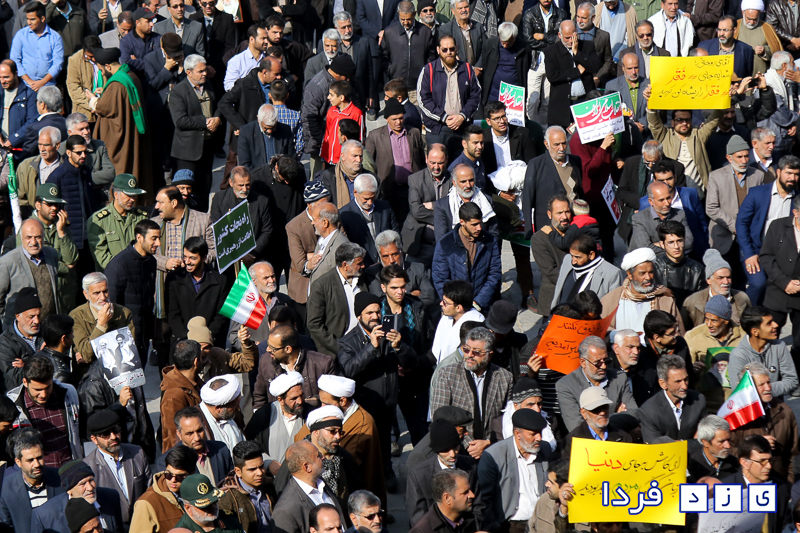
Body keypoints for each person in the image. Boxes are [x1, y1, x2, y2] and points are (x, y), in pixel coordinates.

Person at [338, 291, 420, 484]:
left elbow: (412, 362)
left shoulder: (389, 333)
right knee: (364, 445)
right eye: (369, 313)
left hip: (388, 402)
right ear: (359, 316)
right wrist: (371, 347)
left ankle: (386, 472)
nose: (375, 317)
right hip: (364, 404)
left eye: (377, 312)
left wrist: (399, 347)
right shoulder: (348, 342)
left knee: (385, 442)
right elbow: (347, 370)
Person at [429, 327, 512, 455]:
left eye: (476, 352)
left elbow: (507, 418)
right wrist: (469, 445)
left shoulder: (504, 378)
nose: (469, 355)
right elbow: (439, 416)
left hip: (493, 449)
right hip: (458, 449)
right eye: (466, 350)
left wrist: (489, 442)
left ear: (489, 355)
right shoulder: (447, 374)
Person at [89, 46, 152, 201]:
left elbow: (104, 107)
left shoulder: (116, 84)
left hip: (121, 138)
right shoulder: (130, 75)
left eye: (101, 70)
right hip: (132, 132)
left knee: (122, 171)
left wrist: (93, 99)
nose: (102, 73)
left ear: (108, 66)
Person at [736, 155, 799, 305]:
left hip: (785, 256)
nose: (792, 178)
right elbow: (741, 223)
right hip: (756, 252)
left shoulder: (797, 199)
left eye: (796, 174)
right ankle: (748, 314)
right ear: (778, 172)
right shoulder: (757, 193)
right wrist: (748, 254)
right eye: (789, 173)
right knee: (758, 285)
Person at [474, 409, 551, 533]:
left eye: (540, 433)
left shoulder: (544, 449)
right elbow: (485, 500)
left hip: (542, 523)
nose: (539, 438)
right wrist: (494, 527)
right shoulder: (494, 456)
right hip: (511, 526)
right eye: (533, 434)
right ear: (518, 434)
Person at [706, 135, 768, 266]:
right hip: (723, 237)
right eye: (739, 157)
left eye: (746, 156)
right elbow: (711, 208)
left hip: (750, 237)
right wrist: (736, 227)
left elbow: (762, 206)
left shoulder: (758, 175)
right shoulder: (716, 176)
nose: (744, 160)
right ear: (729, 158)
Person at [83, 410, 151, 528]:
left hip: (142, 521)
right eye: (106, 434)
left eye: (116, 430)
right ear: (94, 439)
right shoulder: (88, 467)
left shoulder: (137, 453)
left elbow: (150, 487)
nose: (113, 437)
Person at [418, 34, 481, 159]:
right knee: (438, 164)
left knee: (462, 165)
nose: (449, 53)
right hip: (438, 129)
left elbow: (476, 96)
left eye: (452, 49)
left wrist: (462, 116)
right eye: (444, 50)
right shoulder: (428, 71)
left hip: (462, 128)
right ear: (438, 50)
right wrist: (444, 117)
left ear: (456, 48)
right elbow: (423, 100)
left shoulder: (467, 69)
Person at [556, 336, 638, 432]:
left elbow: (635, 414)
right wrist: (617, 416)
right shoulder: (566, 385)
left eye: (606, 361)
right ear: (583, 362)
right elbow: (576, 427)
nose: (604, 366)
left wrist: (598, 420)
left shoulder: (619, 378)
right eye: (597, 363)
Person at [406, 419, 476, 526]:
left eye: (455, 447)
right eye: (446, 450)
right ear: (436, 450)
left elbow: (479, 506)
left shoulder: (470, 466)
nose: (452, 454)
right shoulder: (419, 476)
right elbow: (418, 518)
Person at [432, 203, 501, 311]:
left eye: (480, 223)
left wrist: (478, 302)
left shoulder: (490, 241)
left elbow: (494, 274)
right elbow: (440, 278)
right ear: (462, 222)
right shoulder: (445, 243)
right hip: (456, 309)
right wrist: (455, 304)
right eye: (474, 224)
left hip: (483, 307)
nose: (479, 228)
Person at [104, 219, 159, 354]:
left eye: (159, 238)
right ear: (139, 237)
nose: (158, 243)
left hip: (144, 333)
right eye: (154, 238)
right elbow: (112, 304)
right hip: (125, 337)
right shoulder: (118, 265)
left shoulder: (151, 262)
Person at [600, 247, 684, 333]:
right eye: (642, 273)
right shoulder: (612, 299)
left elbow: (678, 332)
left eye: (651, 272)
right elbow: (601, 328)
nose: (648, 277)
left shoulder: (665, 300)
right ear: (630, 275)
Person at [253, 325, 336, 409]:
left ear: (288, 349)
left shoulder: (323, 364)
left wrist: (308, 402)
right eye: (268, 345)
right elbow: (259, 396)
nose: (267, 350)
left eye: (273, 348)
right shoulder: (266, 361)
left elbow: (332, 398)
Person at [720, 435, 791, 533]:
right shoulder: (726, 490)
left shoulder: (779, 488)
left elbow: (785, 526)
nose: (769, 466)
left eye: (770, 460)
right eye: (762, 461)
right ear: (744, 462)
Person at [271, 441, 345, 533]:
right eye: (318, 456)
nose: (323, 457)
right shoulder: (285, 510)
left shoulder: (322, 485)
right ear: (307, 467)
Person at [306, 243, 367, 357]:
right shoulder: (322, 286)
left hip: (364, 347)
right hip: (337, 352)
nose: (363, 266)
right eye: (359, 263)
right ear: (345, 265)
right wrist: (338, 348)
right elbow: (314, 324)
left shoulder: (363, 279)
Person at [30, 459, 123, 533]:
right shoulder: (45, 516)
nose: (90, 488)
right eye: (82, 484)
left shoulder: (110, 497)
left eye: (91, 480)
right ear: (69, 491)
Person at [69, 272, 134, 377]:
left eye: (105, 291)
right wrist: (101, 325)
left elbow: (130, 352)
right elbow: (87, 354)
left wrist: (93, 356)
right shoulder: (76, 316)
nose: (103, 297)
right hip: (90, 378)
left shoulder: (124, 313)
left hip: (121, 375)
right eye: (96, 293)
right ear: (86, 294)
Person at [302, 55, 357, 178]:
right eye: (346, 77)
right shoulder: (317, 87)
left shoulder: (341, 82)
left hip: (340, 143)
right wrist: (320, 142)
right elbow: (308, 118)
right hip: (320, 143)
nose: (348, 80)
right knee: (319, 178)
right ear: (338, 74)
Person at [522, 126, 583, 237]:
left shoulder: (575, 162)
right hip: (547, 227)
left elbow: (580, 192)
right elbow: (527, 199)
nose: (561, 148)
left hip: (573, 225)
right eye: (556, 144)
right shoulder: (536, 165)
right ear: (547, 144)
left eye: (564, 143)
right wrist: (528, 230)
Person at [0, 430, 64, 533]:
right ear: (18, 462)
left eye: (39, 458)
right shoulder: (7, 488)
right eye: (30, 460)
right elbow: (6, 525)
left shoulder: (60, 478)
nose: (37, 464)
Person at [761, 194, 800, 362]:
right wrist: (784, 282)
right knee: (768, 339)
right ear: (795, 213)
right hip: (777, 291)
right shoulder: (777, 227)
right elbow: (766, 257)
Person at [0, 220, 60, 327]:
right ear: (21, 238)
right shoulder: (8, 262)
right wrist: (7, 328)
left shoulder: (52, 255)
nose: (33, 242)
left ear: (43, 237)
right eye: (29, 237)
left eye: (38, 237)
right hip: (21, 329)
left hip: (49, 326)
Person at [730, 306, 799, 397]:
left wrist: (763, 389)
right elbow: (739, 390)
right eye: (769, 323)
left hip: (775, 402)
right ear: (755, 332)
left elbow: (792, 380)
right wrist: (764, 390)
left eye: (773, 321)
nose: (775, 325)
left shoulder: (779, 346)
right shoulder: (738, 355)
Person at [209, 166, 274, 265]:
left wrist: (251, 253)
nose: (244, 189)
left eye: (247, 185)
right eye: (240, 185)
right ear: (231, 183)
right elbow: (216, 227)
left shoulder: (261, 201)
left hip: (252, 258)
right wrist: (233, 252)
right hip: (228, 257)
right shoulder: (219, 199)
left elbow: (267, 230)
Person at [543, 21, 601, 129]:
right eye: (567, 38)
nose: (571, 41)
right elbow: (552, 76)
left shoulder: (587, 46)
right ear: (559, 35)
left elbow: (595, 67)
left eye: (573, 36)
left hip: (584, 101)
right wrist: (576, 72)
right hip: (562, 105)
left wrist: (577, 53)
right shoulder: (551, 51)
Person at [156, 406, 233, 486]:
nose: (197, 438)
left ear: (204, 427)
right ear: (179, 434)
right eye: (190, 433)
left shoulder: (221, 450)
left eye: (199, 431)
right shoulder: (166, 462)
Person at [638, 354, 707, 442]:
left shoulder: (699, 400)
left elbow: (706, 440)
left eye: (686, 379)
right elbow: (655, 445)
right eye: (678, 381)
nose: (684, 386)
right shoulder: (649, 411)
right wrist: (689, 443)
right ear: (663, 384)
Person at [87, 174, 148, 270]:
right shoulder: (99, 220)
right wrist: (123, 269)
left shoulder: (141, 217)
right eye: (128, 195)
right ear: (116, 194)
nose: (132, 199)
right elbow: (101, 256)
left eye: (134, 195)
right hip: (113, 274)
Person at [130, 446, 197, 533]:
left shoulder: (200, 493)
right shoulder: (146, 503)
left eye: (180, 476)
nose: (173, 480)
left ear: (192, 474)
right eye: (169, 474)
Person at [403, 144, 451, 265]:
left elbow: (455, 207)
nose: (436, 167)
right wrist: (443, 216)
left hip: (445, 242)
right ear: (426, 159)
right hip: (420, 243)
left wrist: (434, 205)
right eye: (432, 163)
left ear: (447, 160)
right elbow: (416, 211)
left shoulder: (453, 179)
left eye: (440, 163)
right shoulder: (415, 179)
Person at [551, 232, 625, 309]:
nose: (573, 261)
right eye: (572, 255)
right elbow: (558, 291)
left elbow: (612, 306)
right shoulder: (567, 260)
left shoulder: (612, 273)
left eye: (577, 257)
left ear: (591, 255)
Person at [339, 175, 400, 266]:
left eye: (373, 198)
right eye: (366, 199)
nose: (370, 202)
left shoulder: (385, 208)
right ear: (355, 193)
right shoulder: (345, 215)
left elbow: (396, 235)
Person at [217, 441, 273, 532]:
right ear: (238, 471)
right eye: (252, 469)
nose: (259, 473)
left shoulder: (271, 486)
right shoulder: (229, 499)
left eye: (261, 467)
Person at [433, 164, 497, 242]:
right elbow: (441, 240)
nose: (468, 185)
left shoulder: (487, 201)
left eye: (471, 180)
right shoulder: (443, 205)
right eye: (463, 181)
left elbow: (493, 233)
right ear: (454, 183)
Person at [562, 387, 633, 456]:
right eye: (596, 409)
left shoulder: (624, 437)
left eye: (605, 407)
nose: (602, 413)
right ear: (583, 413)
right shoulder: (571, 443)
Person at [684, 295, 745, 377]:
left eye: (714, 320)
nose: (709, 324)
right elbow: (685, 369)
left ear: (726, 321)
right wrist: (692, 368)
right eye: (707, 319)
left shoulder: (744, 336)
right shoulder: (693, 336)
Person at [10, 3, 63, 92]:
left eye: (32, 19)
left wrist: (42, 82)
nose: (29, 23)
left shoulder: (55, 37)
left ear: (42, 18)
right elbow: (15, 59)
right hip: (25, 86)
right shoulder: (21, 35)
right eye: (27, 19)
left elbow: (57, 64)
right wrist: (29, 81)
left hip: (48, 86)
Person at [652, 220, 705, 307]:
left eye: (679, 241)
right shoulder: (654, 268)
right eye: (671, 242)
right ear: (662, 244)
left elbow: (702, 300)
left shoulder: (697, 269)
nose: (676, 246)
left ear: (684, 240)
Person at [431, 280, 484, 364]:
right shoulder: (446, 317)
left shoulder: (476, 322)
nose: (441, 303)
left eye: (445, 303)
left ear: (458, 308)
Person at [175, 473, 244, 531]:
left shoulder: (228, 519)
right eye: (205, 506)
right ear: (188, 508)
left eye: (214, 501)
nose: (212, 507)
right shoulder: (183, 530)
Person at [199, 375, 245, 454]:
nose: (238, 408)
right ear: (218, 408)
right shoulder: (196, 424)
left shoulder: (233, 416)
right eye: (234, 406)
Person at [736, 0, 782, 75]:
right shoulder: (735, 26)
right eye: (749, 19)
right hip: (738, 76)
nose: (751, 22)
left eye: (755, 19)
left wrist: (764, 51)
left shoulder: (767, 28)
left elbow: (777, 52)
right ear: (742, 12)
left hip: (761, 76)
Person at [0, 60, 38, 150]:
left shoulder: (29, 95)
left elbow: (32, 122)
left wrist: (13, 140)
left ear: (16, 74)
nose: (2, 81)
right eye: (0, 77)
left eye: (6, 77)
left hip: (20, 148)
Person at [574, 3, 615, 87]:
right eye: (578, 17)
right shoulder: (570, 33)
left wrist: (598, 77)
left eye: (583, 18)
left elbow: (608, 61)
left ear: (593, 17)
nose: (579, 21)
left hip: (594, 80)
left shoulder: (603, 36)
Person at [224, 23, 268, 92]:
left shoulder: (268, 59)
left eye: (267, 38)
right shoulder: (236, 61)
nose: (266, 41)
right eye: (263, 38)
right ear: (252, 40)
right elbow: (229, 86)